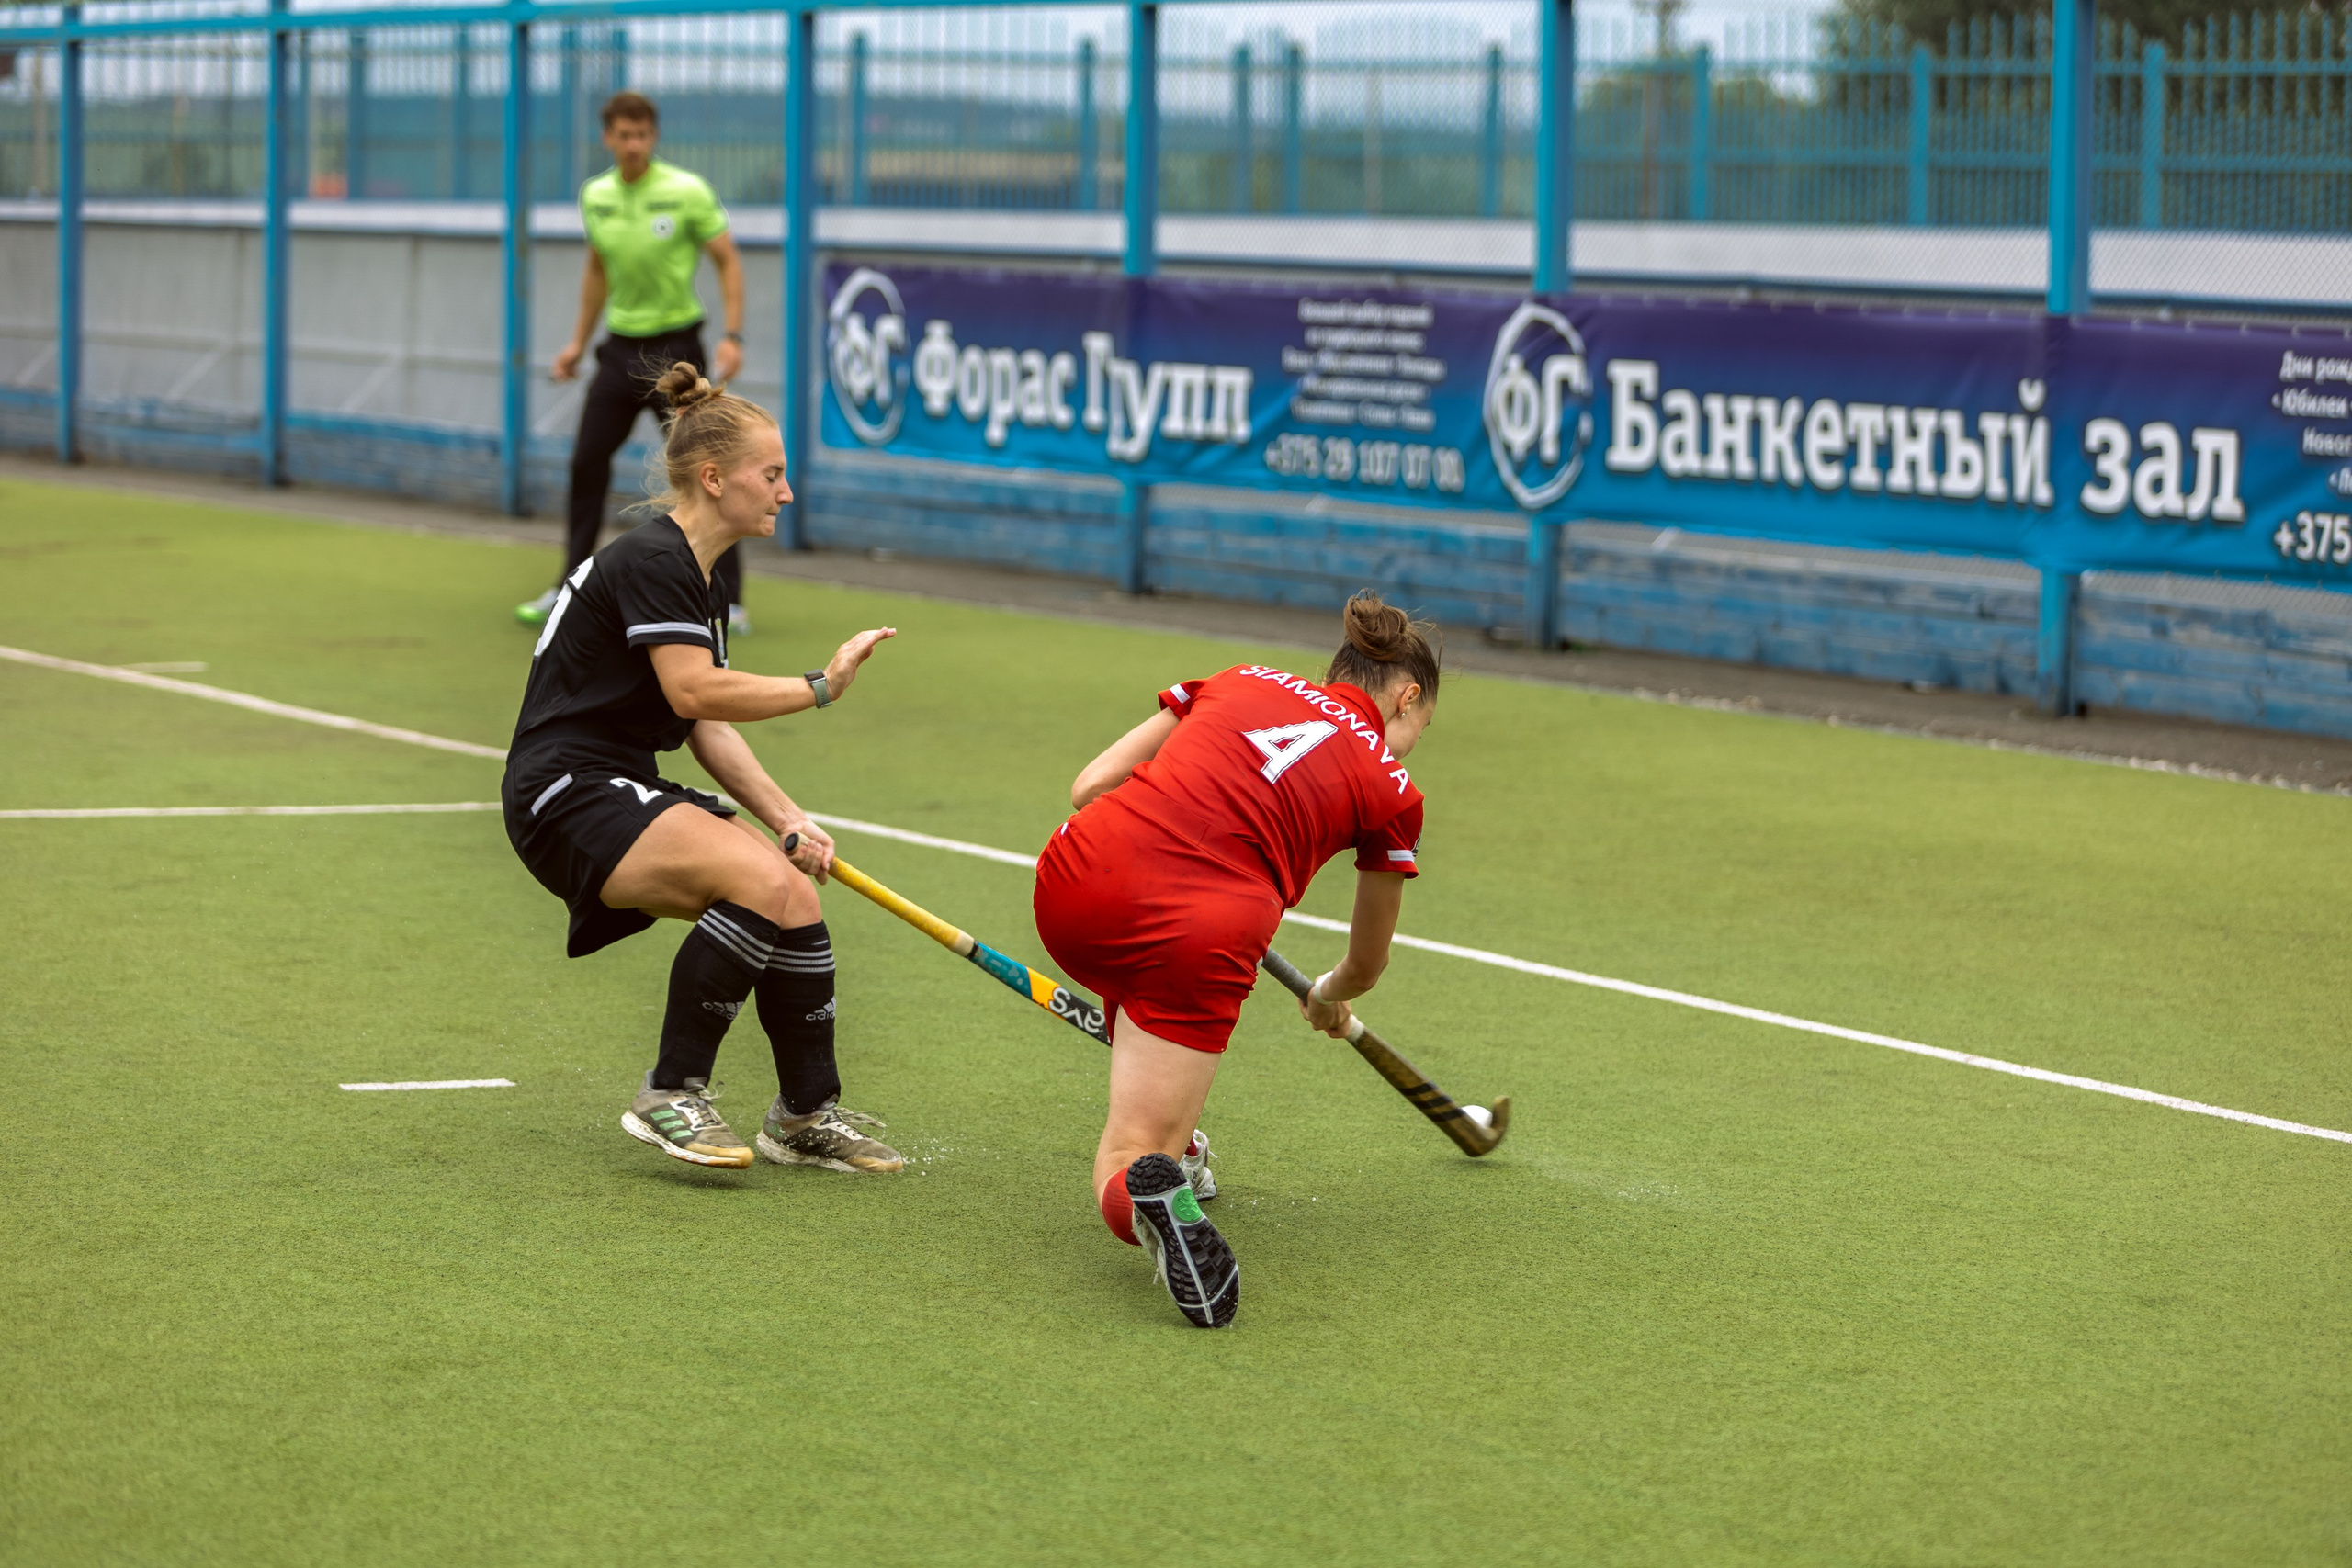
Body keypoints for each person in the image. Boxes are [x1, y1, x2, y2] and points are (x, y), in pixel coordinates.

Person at [503, 362, 900, 1175]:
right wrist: (819, 686)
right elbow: (694, 686)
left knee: (788, 892)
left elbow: (700, 721)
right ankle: (671, 1090)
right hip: (564, 790)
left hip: (618, 777)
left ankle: (804, 1115)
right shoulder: (655, 558)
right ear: (715, 479)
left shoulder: (697, 574)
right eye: (773, 474)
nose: (785, 493)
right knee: (755, 883)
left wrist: (788, 818)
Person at [1032, 593, 1441, 1328]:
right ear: (1408, 696)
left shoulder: (1240, 676)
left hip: (1074, 878)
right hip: (1203, 935)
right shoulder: (1395, 789)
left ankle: (1181, 1146)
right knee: (1130, 1147)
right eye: (1422, 726)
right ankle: (1156, 1183)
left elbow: (1090, 785)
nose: (1412, 742)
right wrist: (1328, 992)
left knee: (1137, 975)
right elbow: (1366, 964)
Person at [518, 91, 754, 637]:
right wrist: (578, 342)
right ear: (608, 138)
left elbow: (728, 261)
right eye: (623, 135)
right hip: (619, 350)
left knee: (706, 470)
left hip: (678, 352)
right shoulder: (596, 196)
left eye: (641, 135)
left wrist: (734, 337)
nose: (632, 145)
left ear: (653, 137)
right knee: (585, 463)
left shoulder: (686, 191)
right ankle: (567, 584)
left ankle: (729, 597)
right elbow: (597, 271)